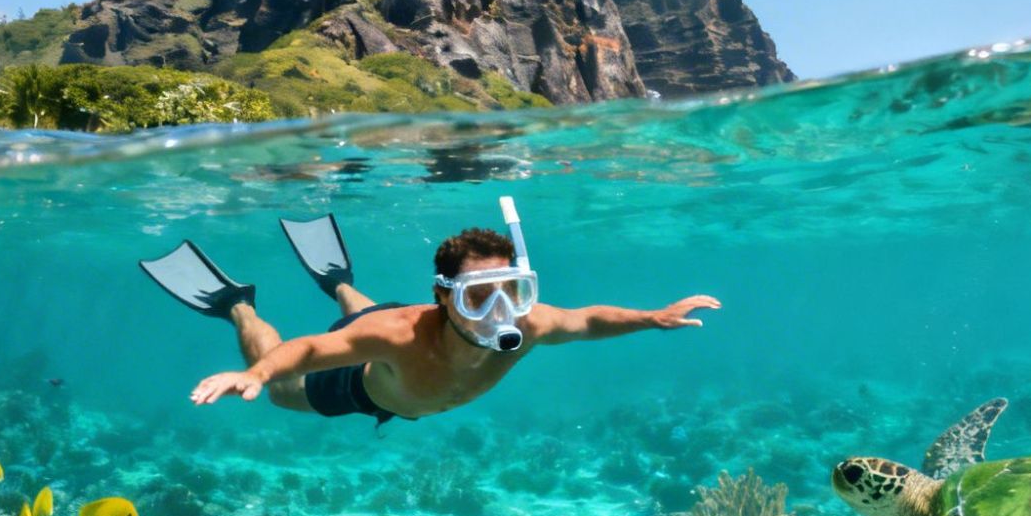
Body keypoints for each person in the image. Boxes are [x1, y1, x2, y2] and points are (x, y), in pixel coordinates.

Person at [138, 200, 718, 424]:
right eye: (475, 296)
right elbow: (313, 351)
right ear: (444, 296)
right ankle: (238, 304)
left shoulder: (530, 322)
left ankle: (339, 283)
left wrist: (653, 317)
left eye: (509, 292)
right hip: (364, 380)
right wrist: (256, 374)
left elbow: (588, 320)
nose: (498, 312)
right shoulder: (398, 334)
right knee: (286, 389)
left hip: (386, 334)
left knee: (361, 313)